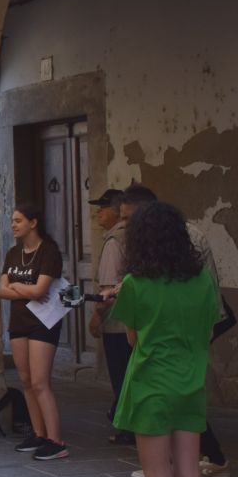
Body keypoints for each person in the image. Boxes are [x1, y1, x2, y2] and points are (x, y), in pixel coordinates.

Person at [110, 201, 217, 477]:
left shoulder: (135, 283)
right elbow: (209, 327)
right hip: (190, 382)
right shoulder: (201, 279)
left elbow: (132, 337)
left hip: (151, 385)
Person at [119, 184, 231, 477]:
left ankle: (171, 463)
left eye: (129, 218)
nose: (124, 225)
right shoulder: (195, 276)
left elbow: (134, 336)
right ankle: (184, 461)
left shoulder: (139, 279)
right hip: (189, 354)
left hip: (158, 362)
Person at [0, 205, 68, 460]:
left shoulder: (48, 252)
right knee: (26, 380)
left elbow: (41, 292)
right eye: (12, 221)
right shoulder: (13, 253)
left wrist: (16, 285)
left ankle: (56, 440)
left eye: (18, 221)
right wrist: (23, 287)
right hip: (19, 322)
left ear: (33, 222)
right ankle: (38, 433)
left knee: (40, 382)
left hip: (43, 322)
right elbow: (1, 290)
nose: (13, 225)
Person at [87, 188, 133, 446]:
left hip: (117, 321)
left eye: (103, 208)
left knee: (120, 374)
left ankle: (127, 427)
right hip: (135, 319)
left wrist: (96, 316)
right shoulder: (137, 237)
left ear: (119, 212)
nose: (98, 213)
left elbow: (107, 289)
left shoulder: (114, 240)